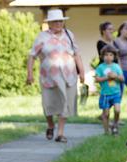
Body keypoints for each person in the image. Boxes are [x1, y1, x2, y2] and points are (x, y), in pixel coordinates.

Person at [26, 9, 85, 144]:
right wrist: (29, 74)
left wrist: (81, 71)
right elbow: (32, 56)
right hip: (49, 77)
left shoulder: (69, 34)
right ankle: (51, 125)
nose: (58, 23)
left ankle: (60, 133)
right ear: (50, 23)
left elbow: (76, 54)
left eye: (60, 21)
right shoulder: (42, 36)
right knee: (49, 105)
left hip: (68, 76)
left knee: (65, 103)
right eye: (55, 21)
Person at [95, 45, 124, 135]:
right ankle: (106, 131)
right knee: (106, 114)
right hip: (105, 94)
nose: (108, 57)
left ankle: (115, 125)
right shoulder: (100, 67)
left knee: (117, 110)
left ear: (114, 56)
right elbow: (97, 79)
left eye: (111, 55)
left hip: (116, 93)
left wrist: (115, 76)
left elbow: (122, 79)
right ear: (102, 56)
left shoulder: (116, 67)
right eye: (106, 55)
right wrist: (107, 77)